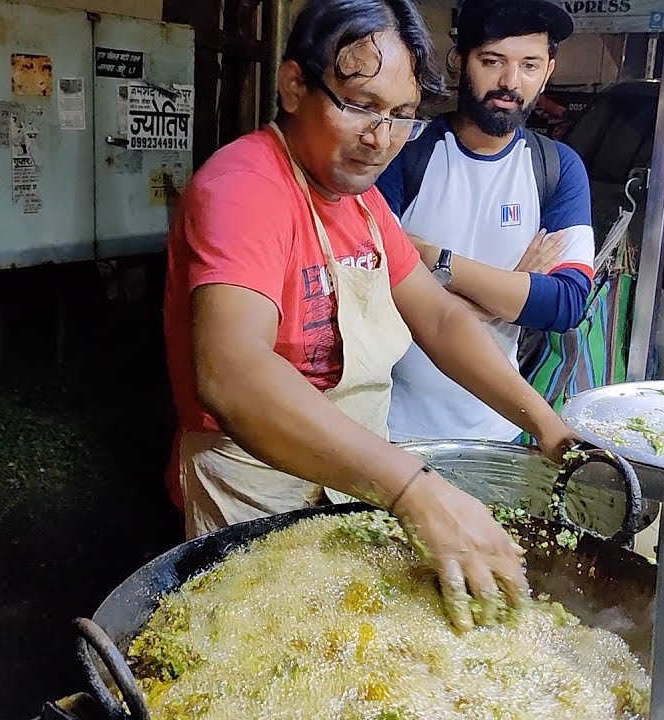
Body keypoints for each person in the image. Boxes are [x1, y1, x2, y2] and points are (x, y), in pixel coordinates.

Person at [163, 0, 579, 631]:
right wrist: (413, 490)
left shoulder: (358, 201)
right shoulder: (244, 188)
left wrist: (548, 428)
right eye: (360, 105)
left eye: (402, 115)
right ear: (294, 86)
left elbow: (438, 318)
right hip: (254, 488)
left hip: (352, 478)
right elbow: (233, 371)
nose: (380, 138)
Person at [376, 0, 594, 443]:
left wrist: (432, 259)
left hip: (499, 432)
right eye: (492, 61)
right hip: (391, 429)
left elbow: (565, 303)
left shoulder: (557, 168)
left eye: (529, 65)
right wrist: (512, 289)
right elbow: (374, 286)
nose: (510, 82)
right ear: (460, 60)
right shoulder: (403, 152)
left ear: (548, 71)